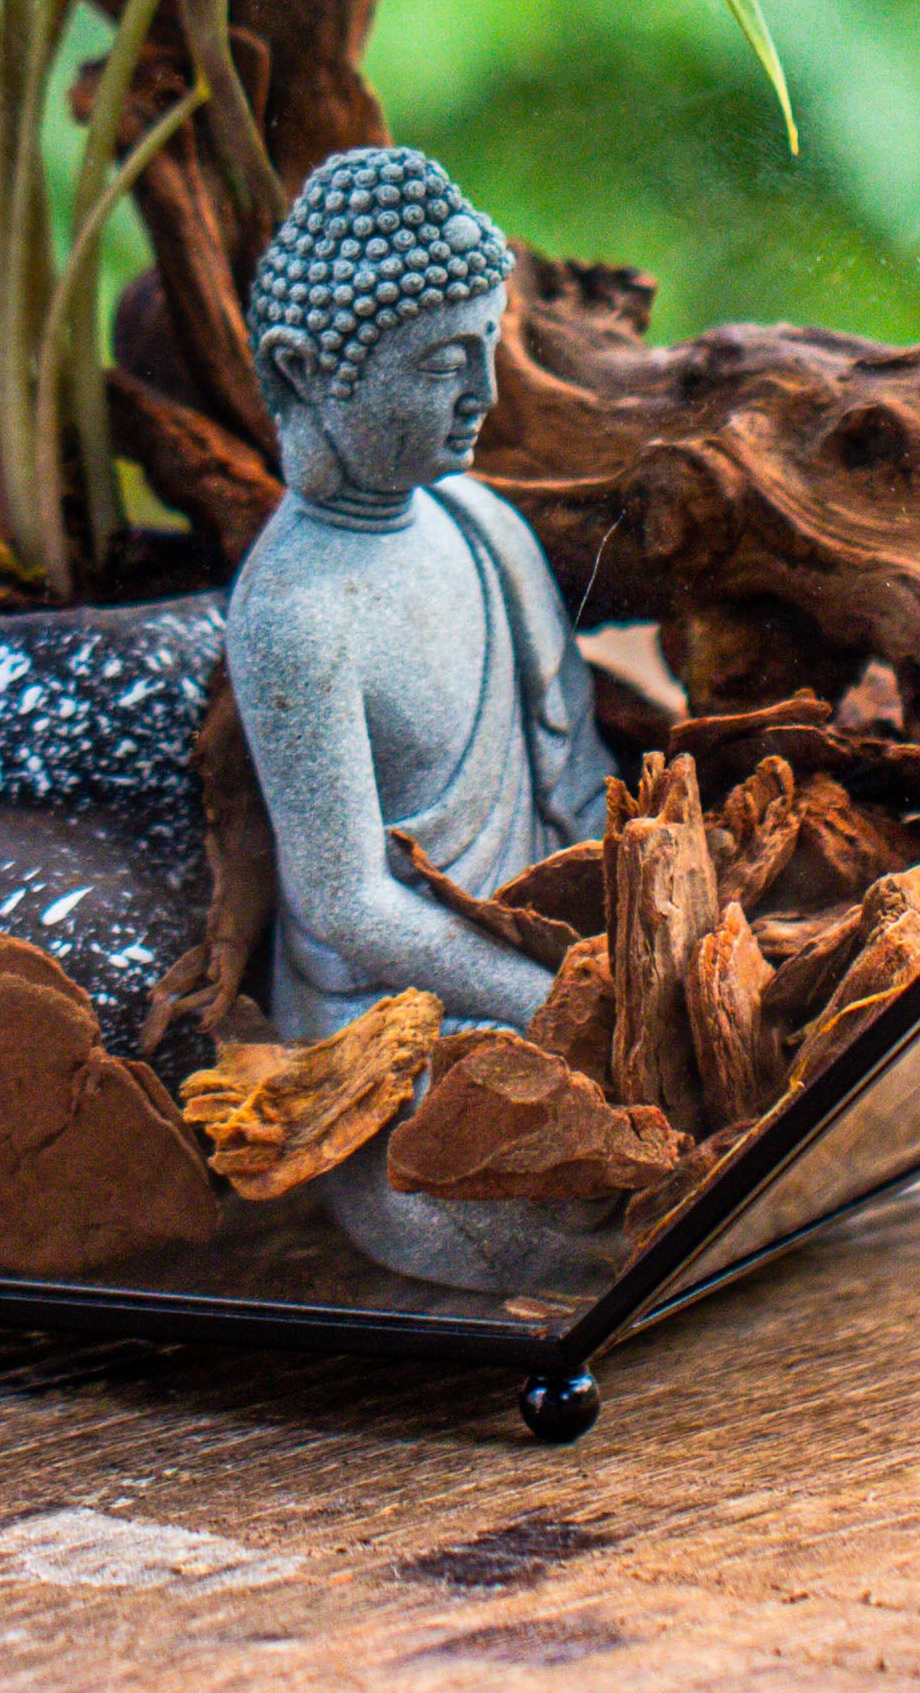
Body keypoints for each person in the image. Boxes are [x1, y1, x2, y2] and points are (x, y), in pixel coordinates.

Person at [227, 145, 622, 1289]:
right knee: (508, 1199)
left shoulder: (484, 526)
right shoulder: (295, 610)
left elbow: (580, 782)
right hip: (406, 1020)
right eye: (446, 362)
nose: (485, 394)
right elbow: (346, 901)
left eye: (488, 348)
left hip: (560, 969)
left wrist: (635, 950)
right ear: (305, 371)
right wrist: (547, 1006)